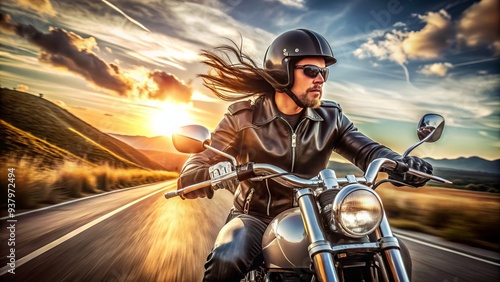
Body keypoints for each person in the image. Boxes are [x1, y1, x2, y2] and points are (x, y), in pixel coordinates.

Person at [177, 29, 432, 281]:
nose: (320, 79)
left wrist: (400, 163)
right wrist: (196, 173)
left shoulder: (331, 117)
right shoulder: (243, 117)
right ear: (282, 72)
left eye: (324, 72)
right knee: (228, 256)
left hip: (318, 213)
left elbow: (368, 150)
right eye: (311, 71)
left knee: (391, 249)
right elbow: (203, 157)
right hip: (255, 217)